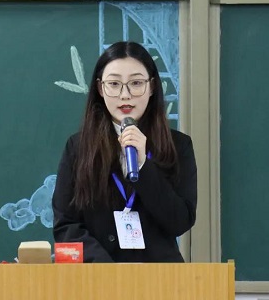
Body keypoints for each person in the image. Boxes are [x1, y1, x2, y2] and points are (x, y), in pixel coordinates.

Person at [52, 41, 198, 262]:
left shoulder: (178, 146)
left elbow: (180, 222)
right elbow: (66, 225)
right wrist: (108, 271)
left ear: (152, 87)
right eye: (114, 84)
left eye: (136, 83)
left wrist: (143, 166)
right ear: (100, 89)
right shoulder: (78, 148)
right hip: (97, 275)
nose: (125, 95)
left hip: (160, 276)